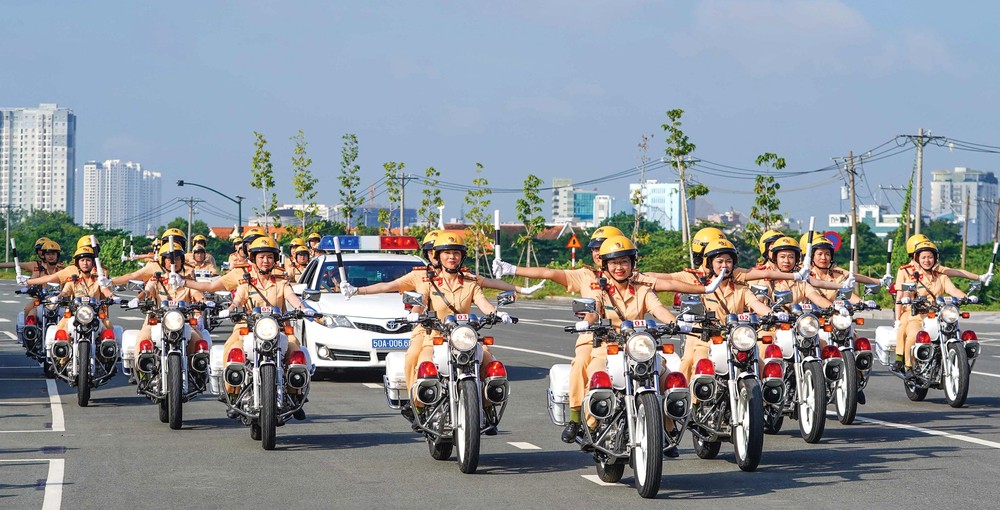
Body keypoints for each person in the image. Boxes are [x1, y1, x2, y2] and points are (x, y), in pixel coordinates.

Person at [561, 235, 711, 450]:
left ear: (632, 263)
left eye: (624, 262)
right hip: (607, 346)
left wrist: (676, 323)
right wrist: (586, 322)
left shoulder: (643, 288)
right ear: (605, 265)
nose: (619, 267)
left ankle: (668, 430)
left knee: (666, 376)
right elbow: (593, 311)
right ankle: (590, 426)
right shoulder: (599, 288)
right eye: (613, 263)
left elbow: (658, 309)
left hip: (639, 346)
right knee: (595, 374)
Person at [223, 236, 313, 385]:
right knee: (232, 348)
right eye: (262, 257)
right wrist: (230, 310)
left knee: (296, 351)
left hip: (278, 330)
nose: (266, 261)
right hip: (249, 329)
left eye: (270, 257)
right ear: (253, 259)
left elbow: (292, 298)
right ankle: (232, 390)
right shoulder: (246, 284)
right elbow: (237, 301)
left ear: (275, 259)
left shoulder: (282, 282)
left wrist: (304, 309)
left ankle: (295, 392)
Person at [893, 240, 973, 377]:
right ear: (917, 258)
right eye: (923, 257)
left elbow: (952, 289)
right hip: (918, 315)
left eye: (930, 257)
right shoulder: (914, 277)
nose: (927, 260)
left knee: (955, 331)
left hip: (939, 315)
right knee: (913, 335)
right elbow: (907, 291)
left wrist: (966, 297)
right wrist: (907, 298)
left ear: (935, 258)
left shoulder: (941, 276)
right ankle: (908, 366)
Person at [130, 242, 207, 366]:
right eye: (169, 258)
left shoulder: (186, 281)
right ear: (163, 261)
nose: (173, 262)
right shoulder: (156, 279)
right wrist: (137, 299)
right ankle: (142, 372)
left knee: (198, 340)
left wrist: (205, 301)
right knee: (142, 338)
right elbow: (147, 291)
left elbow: (196, 293)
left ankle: (197, 372)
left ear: (182, 260)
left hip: (184, 322)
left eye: (177, 258)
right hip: (159, 321)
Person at [54, 246, 118, 337]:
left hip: (96, 314)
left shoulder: (98, 280)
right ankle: (63, 350)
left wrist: (113, 297)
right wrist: (56, 298)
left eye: (88, 260)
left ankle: (108, 350)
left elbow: (105, 290)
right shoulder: (73, 280)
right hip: (75, 314)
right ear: (77, 263)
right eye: (82, 260)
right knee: (61, 330)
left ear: (93, 263)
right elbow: (64, 292)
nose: (85, 263)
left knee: (109, 330)